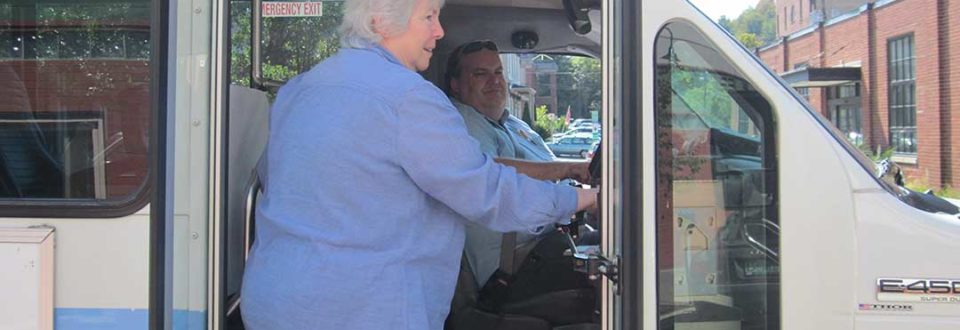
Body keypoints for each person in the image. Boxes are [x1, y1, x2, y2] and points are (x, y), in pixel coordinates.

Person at [238, 0, 597, 329]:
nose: (439, 31)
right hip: (361, 310)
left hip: (274, 300)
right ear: (381, 22)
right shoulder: (407, 96)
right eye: (429, 16)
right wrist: (582, 200)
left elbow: (277, 180)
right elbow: (485, 192)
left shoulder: (299, 89)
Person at [444, 40, 596, 304]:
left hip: (545, 242)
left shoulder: (512, 124)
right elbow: (490, 170)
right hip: (511, 268)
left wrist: (588, 176)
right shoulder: (461, 123)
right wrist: (571, 168)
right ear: (456, 85)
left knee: (614, 245)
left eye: (498, 72)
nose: (494, 81)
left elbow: (553, 170)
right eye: (480, 74)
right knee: (615, 276)